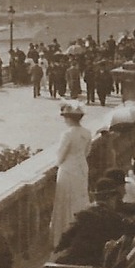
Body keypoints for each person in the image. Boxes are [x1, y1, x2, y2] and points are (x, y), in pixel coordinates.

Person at [50, 101, 93, 245]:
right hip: (81, 168)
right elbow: (87, 152)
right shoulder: (87, 133)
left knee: (65, 201)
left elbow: (60, 156)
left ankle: (63, 237)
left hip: (68, 170)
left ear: (69, 118)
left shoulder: (67, 134)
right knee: (79, 199)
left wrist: (57, 164)